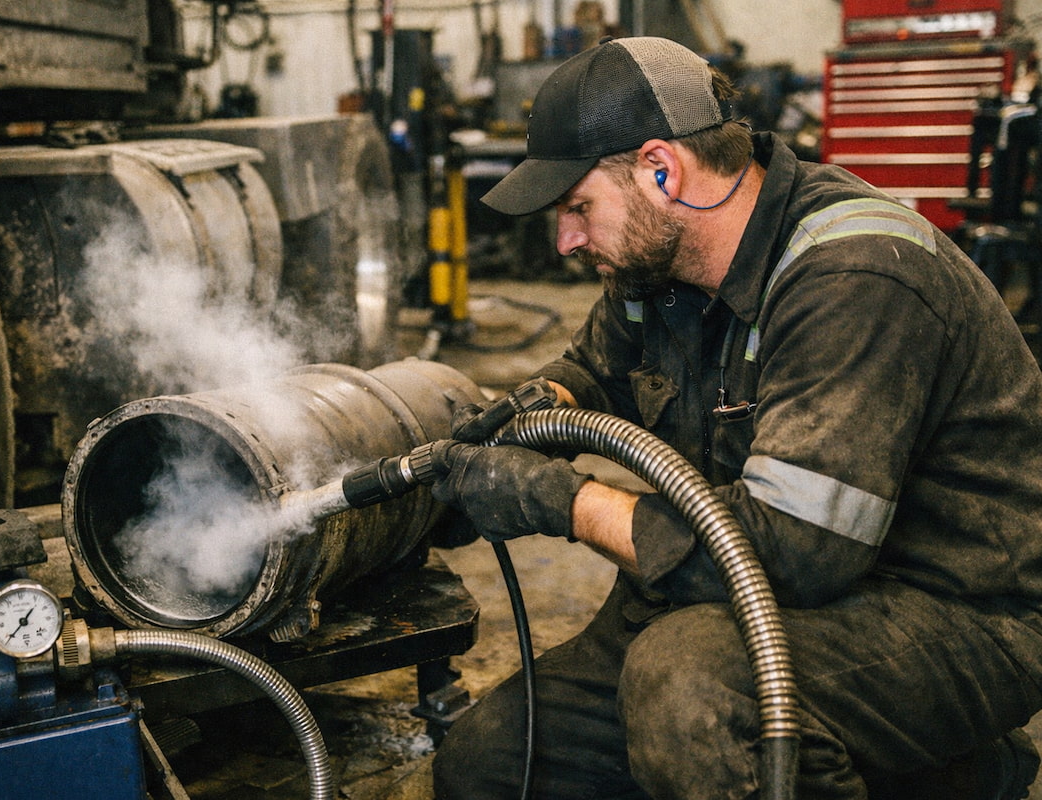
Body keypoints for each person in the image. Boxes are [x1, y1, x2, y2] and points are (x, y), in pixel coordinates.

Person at [428, 36, 1042, 799]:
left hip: (949, 611)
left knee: (691, 687)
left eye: (577, 207)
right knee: (488, 767)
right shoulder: (660, 265)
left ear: (663, 169)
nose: (566, 241)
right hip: (741, 581)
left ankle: (957, 773)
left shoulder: (854, 274)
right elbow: (594, 375)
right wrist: (521, 421)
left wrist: (561, 501)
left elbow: (794, 552)